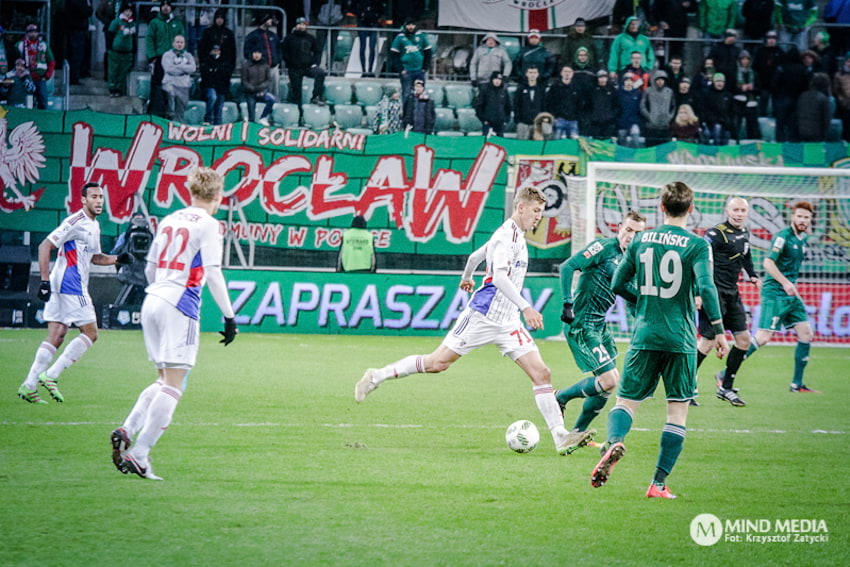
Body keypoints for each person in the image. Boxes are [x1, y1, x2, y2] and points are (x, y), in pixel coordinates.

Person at [354, 186, 595, 456]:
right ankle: (376, 376)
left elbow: (475, 257)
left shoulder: (515, 236)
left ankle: (560, 436)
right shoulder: (507, 237)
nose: (539, 217)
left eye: (541, 212)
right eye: (536, 211)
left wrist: (467, 276)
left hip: (508, 322)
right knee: (437, 364)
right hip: (483, 315)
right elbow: (501, 278)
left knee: (542, 374)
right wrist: (527, 307)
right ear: (521, 207)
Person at [591, 181, 729, 499]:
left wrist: (641, 302)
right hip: (680, 338)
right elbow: (707, 288)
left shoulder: (640, 241)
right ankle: (658, 483)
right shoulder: (697, 245)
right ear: (690, 210)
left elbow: (616, 281)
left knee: (626, 402)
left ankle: (613, 444)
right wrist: (719, 330)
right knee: (677, 412)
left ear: (661, 208)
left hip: (644, 334)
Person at [111, 168, 238, 480]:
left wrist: (160, 290)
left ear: (189, 193)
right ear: (218, 197)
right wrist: (230, 316)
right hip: (180, 302)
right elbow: (212, 271)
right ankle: (140, 454)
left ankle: (128, 428)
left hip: (153, 297)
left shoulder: (169, 220)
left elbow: (151, 266)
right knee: (175, 384)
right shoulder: (209, 224)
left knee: (163, 379)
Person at [17, 183, 131, 404]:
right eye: (94, 197)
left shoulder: (93, 226)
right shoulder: (75, 222)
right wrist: (43, 280)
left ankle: (29, 385)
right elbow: (44, 246)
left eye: (101, 197)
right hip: (72, 284)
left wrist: (118, 259)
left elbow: (95, 257)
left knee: (57, 334)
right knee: (91, 333)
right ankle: (51, 375)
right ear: (83, 200)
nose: (98, 201)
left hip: (63, 284)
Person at [555, 211, 646, 448]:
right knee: (608, 380)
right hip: (583, 325)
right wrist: (567, 302)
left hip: (600, 327)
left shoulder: (633, 263)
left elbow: (633, 299)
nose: (631, 236)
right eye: (628, 230)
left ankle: (576, 433)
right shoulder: (602, 248)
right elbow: (567, 266)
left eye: (638, 233)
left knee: (608, 385)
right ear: (619, 228)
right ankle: (560, 397)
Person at [735, 202, 817, 393]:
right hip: (775, 293)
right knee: (763, 337)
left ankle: (797, 384)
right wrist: (785, 283)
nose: (802, 220)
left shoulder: (802, 240)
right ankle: (726, 374)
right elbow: (768, 262)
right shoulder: (783, 237)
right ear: (793, 217)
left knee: (806, 334)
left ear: (810, 219)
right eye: (799, 216)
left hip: (790, 294)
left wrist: (790, 286)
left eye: (806, 217)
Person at [695, 198, 760, 407]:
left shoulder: (744, 233)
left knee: (744, 340)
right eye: (735, 209)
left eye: (743, 210)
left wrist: (753, 275)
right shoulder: (715, 234)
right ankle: (685, 386)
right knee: (707, 343)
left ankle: (726, 386)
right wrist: (698, 292)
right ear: (727, 210)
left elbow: (746, 257)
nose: (739, 213)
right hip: (713, 294)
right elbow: (700, 261)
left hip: (732, 294)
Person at [146, 0, 185, 117]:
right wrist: (152, 56)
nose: (165, 7)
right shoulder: (155, 22)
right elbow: (149, 39)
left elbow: (181, 39)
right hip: (159, 58)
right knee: (158, 86)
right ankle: (156, 113)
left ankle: (170, 112)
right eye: (163, 5)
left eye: (168, 5)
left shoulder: (177, 23)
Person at [281, 17, 327, 107]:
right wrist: (289, 62)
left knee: (320, 73)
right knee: (297, 93)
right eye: (299, 24)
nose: (301, 26)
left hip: (308, 67)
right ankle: (297, 111)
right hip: (294, 68)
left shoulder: (310, 38)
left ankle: (316, 96)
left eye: (303, 24)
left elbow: (317, 51)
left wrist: (315, 63)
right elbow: (283, 52)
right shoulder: (289, 38)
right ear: (296, 25)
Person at [110, 212, 154, 305]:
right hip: (141, 276)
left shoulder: (126, 236)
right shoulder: (149, 236)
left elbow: (115, 253)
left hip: (132, 276)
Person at [390, 19, 432, 103]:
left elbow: (428, 53)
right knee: (406, 94)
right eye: (409, 25)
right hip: (406, 71)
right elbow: (394, 55)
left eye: (413, 24)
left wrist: (424, 68)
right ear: (405, 26)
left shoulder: (422, 36)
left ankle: (419, 113)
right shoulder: (400, 38)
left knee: (420, 93)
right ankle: (407, 114)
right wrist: (401, 70)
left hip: (419, 71)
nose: (411, 27)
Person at [243, 12, 282, 100]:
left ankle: (275, 106)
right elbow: (247, 52)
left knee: (275, 90)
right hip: (260, 68)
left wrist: (278, 60)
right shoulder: (252, 36)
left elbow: (279, 49)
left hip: (273, 67)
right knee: (261, 91)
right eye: (269, 19)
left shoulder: (273, 35)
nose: (271, 21)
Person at [15, 24, 55, 110]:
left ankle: (43, 119)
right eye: (30, 32)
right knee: (26, 102)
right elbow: (14, 59)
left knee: (43, 101)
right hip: (25, 78)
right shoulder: (20, 45)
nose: (32, 34)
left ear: (38, 33)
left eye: (34, 32)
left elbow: (51, 61)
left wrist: (47, 75)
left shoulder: (43, 45)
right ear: (26, 33)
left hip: (40, 78)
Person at [546, 65, 587, 139]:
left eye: (569, 71)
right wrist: (554, 116)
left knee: (573, 144)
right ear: (561, 73)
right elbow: (549, 102)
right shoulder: (555, 86)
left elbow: (581, 103)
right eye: (565, 71)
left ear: (573, 73)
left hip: (573, 121)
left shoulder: (577, 87)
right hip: (559, 120)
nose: (567, 73)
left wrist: (578, 116)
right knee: (557, 144)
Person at [161, 35, 196, 122]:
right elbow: (169, 69)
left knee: (181, 110)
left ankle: (179, 128)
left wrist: (177, 67)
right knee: (170, 109)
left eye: (181, 42)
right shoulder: (167, 55)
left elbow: (192, 68)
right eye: (177, 42)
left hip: (183, 85)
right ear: (173, 43)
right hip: (170, 83)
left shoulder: (188, 55)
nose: (179, 44)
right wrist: (184, 69)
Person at [640, 70, 676, 145]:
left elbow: (674, 106)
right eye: (658, 79)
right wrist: (649, 116)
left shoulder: (669, 92)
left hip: (665, 125)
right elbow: (642, 105)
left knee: (664, 148)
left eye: (662, 79)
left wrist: (670, 117)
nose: (660, 81)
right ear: (654, 80)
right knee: (651, 147)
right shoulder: (648, 91)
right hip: (651, 126)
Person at [107, 4, 136, 97]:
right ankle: (112, 88)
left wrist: (133, 50)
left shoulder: (132, 23)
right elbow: (110, 34)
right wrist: (110, 47)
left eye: (130, 11)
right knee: (113, 71)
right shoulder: (117, 22)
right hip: (115, 51)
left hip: (127, 52)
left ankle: (119, 89)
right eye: (126, 11)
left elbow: (134, 38)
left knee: (122, 72)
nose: (128, 13)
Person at [242, 49, 276, 125]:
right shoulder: (246, 65)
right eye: (255, 53)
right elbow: (244, 81)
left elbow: (268, 80)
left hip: (262, 92)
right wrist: (252, 88)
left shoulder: (265, 65)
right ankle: (251, 122)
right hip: (250, 93)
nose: (256, 55)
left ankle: (263, 117)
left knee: (272, 99)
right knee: (251, 111)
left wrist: (260, 88)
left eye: (258, 53)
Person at [754, 30, 784, 116]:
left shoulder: (780, 52)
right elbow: (755, 67)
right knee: (763, 102)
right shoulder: (760, 51)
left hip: (777, 83)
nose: (771, 40)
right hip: (763, 83)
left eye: (773, 38)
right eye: (769, 38)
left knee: (776, 104)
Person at [200, 44, 232, 125]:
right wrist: (216, 71)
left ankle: (218, 125)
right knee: (212, 98)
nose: (216, 52)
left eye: (217, 50)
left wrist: (215, 71)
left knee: (219, 107)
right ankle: (207, 119)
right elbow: (205, 74)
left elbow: (226, 74)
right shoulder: (206, 60)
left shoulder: (225, 61)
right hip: (209, 85)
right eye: (214, 50)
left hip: (222, 87)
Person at [796, 72, 832, 142]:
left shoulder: (803, 95)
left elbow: (798, 113)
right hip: (816, 132)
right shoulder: (823, 98)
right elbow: (826, 119)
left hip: (801, 130)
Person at [199, 8, 237, 75]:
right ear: (214, 19)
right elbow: (202, 49)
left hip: (224, 65)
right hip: (209, 64)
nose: (219, 20)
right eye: (218, 18)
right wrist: (203, 64)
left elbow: (232, 51)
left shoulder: (229, 33)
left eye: (221, 18)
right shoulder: (207, 32)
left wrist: (231, 66)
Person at [586, 70, 621, 140]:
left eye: (604, 77)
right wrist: (591, 116)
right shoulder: (591, 90)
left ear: (607, 78)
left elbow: (617, 105)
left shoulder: (612, 90)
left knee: (607, 142)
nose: (602, 79)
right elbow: (587, 105)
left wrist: (611, 115)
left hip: (608, 122)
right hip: (595, 122)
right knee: (595, 142)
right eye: (600, 77)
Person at [475, 71, 511, 137]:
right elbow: (479, 106)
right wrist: (484, 120)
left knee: (499, 144)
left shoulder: (503, 91)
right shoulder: (485, 90)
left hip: (500, 124)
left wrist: (505, 120)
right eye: (495, 79)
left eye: (499, 79)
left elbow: (508, 107)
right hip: (488, 123)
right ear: (492, 80)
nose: (497, 81)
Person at [513, 66, 545, 140]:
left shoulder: (541, 89)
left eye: (534, 72)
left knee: (537, 147)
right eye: (530, 72)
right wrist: (518, 121)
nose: (532, 75)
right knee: (522, 146)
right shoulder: (520, 88)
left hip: (537, 124)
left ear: (538, 74)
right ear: (526, 74)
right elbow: (516, 105)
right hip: (523, 123)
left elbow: (544, 105)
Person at [67, 0, 94, 85]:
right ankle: (74, 77)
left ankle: (78, 74)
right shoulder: (78, 2)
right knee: (77, 54)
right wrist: (89, 5)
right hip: (77, 29)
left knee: (78, 54)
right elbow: (87, 11)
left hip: (75, 28)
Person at [702, 72, 733, 144]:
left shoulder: (728, 95)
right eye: (718, 81)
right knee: (717, 128)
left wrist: (729, 121)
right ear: (713, 82)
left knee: (727, 133)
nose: (720, 84)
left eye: (722, 81)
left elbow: (732, 110)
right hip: (713, 122)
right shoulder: (708, 94)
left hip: (726, 122)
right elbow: (705, 110)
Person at [355, 0, 383, 77]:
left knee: (372, 47)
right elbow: (353, 8)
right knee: (362, 47)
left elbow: (381, 8)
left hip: (373, 23)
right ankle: (363, 70)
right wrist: (361, 14)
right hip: (362, 23)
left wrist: (376, 16)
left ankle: (370, 70)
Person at [617, 72, 643, 146]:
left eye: (631, 81)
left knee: (636, 141)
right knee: (622, 142)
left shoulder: (637, 93)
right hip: (622, 122)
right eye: (627, 80)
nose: (629, 82)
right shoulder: (619, 93)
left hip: (634, 122)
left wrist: (638, 120)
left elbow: (639, 108)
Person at [834, 54, 850, 142]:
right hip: (846, 104)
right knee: (846, 125)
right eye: (848, 61)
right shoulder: (839, 75)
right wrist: (842, 100)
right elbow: (836, 90)